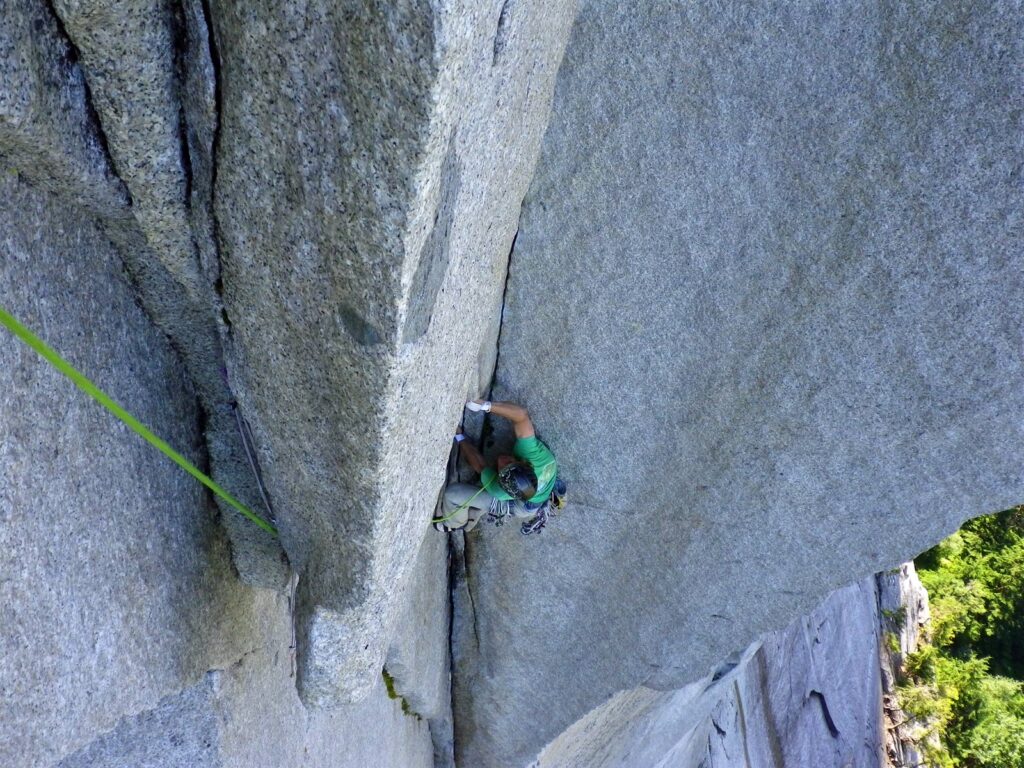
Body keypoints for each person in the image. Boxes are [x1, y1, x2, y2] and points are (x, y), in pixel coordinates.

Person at [433, 399, 559, 534]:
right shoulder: (534, 454)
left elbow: (480, 465)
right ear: (525, 463)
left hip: (520, 507)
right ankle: (479, 506)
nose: (503, 460)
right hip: (538, 494)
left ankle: (455, 524)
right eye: (511, 463)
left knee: (452, 495)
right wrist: (484, 405)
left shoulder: (500, 491)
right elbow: (521, 416)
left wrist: (459, 436)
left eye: (502, 469)